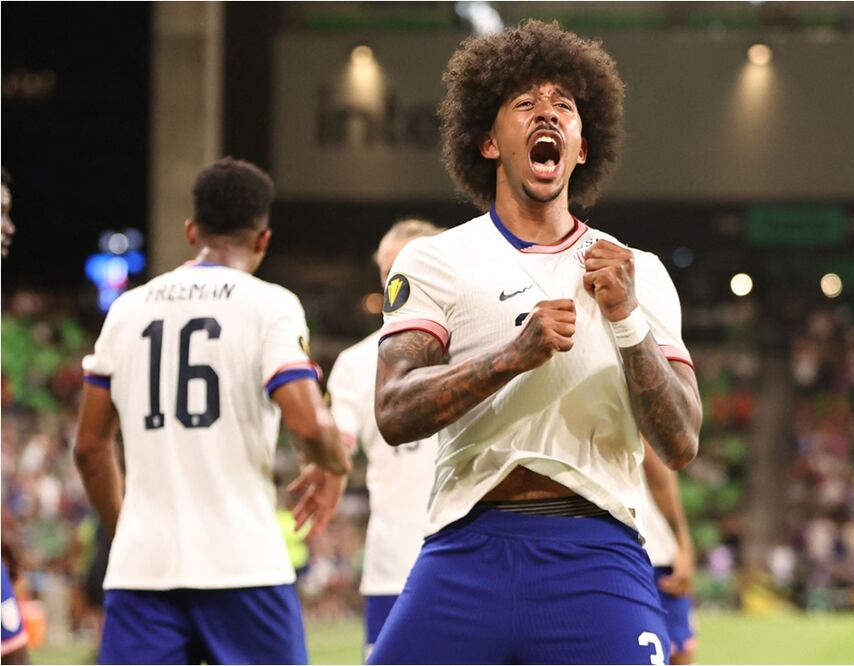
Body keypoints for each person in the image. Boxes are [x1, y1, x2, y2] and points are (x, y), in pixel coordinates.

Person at [369, 20, 702, 664]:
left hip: (596, 551)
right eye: (524, 103)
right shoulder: (438, 259)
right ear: (490, 142)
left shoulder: (640, 271)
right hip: (466, 546)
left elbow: (681, 441)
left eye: (564, 106)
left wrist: (628, 319)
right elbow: (394, 410)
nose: (546, 112)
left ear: (581, 147)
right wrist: (512, 357)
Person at [74, 157, 352, 664]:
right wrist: (336, 461)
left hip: (144, 571)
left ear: (191, 230)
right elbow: (309, 423)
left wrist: (127, 526)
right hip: (243, 566)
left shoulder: (126, 310)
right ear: (263, 239)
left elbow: (90, 448)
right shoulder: (270, 305)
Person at [325, 219, 443, 658]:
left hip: (478, 561)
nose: (401, 280)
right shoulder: (357, 364)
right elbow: (335, 447)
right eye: (391, 269)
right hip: (395, 566)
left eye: (415, 265)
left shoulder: (486, 349)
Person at [641, 442, 698, 665]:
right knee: (676, 655)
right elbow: (656, 466)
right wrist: (683, 543)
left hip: (610, 546)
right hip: (653, 553)